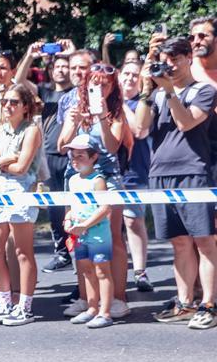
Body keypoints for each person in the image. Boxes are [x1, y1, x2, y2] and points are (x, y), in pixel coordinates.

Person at [133, 37, 217, 329]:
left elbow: (186, 122)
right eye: (164, 60)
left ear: (187, 58)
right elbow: (140, 129)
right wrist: (147, 89)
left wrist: (169, 92)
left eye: (174, 59)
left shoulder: (204, 91)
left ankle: (209, 304)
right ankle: (185, 303)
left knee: (205, 241)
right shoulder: (157, 94)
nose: (169, 65)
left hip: (193, 171)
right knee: (179, 242)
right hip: (160, 174)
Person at [57, 61, 132, 319]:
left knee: (111, 236)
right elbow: (61, 145)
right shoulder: (75, 107)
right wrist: (73, 122)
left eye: (104, 84)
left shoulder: (116, 112)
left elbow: (112, 147)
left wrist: (101, 116)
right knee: (79, 234)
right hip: (76, 176)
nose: (99, 88)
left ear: (113, 86)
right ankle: (88, 298)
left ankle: (118, 298)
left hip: (107, 176)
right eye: (94, 83)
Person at [0, 84, 42, 326]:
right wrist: (5, 160)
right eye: (5, 101)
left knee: (22, 251)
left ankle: (24, 306)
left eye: (14, 102)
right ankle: (5, 301)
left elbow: (22, 167)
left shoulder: (32, 130)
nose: (8, 105)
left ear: (25, 106)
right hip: (0, 190)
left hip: (21, 190)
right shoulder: (0, 130)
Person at [62, 135, 115, 329]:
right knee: (86, 270)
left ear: (93, 157)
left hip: (97, 233)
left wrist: (85, 225)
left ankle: (105, 312)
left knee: (102, 271)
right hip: (79, 233)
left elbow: (104, 208)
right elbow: (69, 205)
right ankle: (92, 308)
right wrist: (68, 219)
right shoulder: (73, 180)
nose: (75, 160)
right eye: (73, 156)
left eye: (81, 155)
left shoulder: (98, 180)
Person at [118, 55, 153, 292]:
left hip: (135, 170)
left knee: (133, 220)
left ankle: (140, 272)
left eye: (135, 75)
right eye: (126, 74)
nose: (130, 78)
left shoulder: (142, 103)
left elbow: (137, 130)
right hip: (107, 171)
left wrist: (119, 103)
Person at [40, 52, 75, 273]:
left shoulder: (76, 93)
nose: (61, 70)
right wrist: (30, 55)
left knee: (75, 208)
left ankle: (77, 252)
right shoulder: (45, 93)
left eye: (66, 66)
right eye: (58, 66)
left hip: (72, 156)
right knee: (55, 209)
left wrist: (71, 53)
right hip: (49, 156)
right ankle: (62, 253)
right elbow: (19, 81)